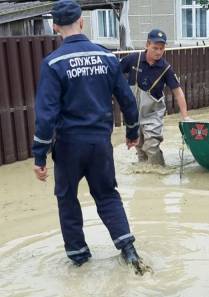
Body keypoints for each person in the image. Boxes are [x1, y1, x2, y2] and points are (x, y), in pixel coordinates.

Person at [32, 0, 142, 272]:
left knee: (67, 198)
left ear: (55, 26)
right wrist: (132, 131)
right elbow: (127, 99)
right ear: (82, 22)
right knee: (107, 195)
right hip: (100, 145)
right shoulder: (106, 57)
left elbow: (45, 115)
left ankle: (80, 259)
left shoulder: (53, 63)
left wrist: (39, 156)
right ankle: (128, 250)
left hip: (69, 147)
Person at [120, 29, 191, 166]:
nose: (158, 52)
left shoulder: (165, 68)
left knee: (151, 144)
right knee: (140, 146)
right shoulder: (133, 59)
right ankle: (145, 177)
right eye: (155, 48)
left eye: (162, 48)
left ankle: (160, 171)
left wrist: (185, 116)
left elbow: (178, 92)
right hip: (134, 113)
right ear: (147, 44)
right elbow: (114, 72)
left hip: (153, 113)